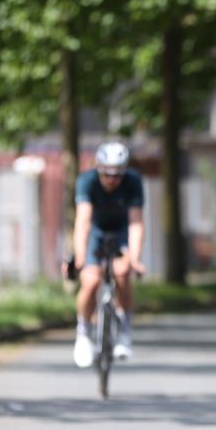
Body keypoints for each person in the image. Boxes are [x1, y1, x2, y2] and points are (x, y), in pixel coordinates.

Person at [71, 142, 146, 368]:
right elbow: (83, 223)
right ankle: (83, 332)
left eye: (117, 175)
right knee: (91, 281)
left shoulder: (133, 181)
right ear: (98, 169)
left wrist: (134, 258)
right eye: (107, 174)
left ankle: (123, 330)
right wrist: (80, 258)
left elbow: (135, 223)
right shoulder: (87, 181)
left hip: (121, 231)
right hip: (96, 231)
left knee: (122, 274)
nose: (112, 180)